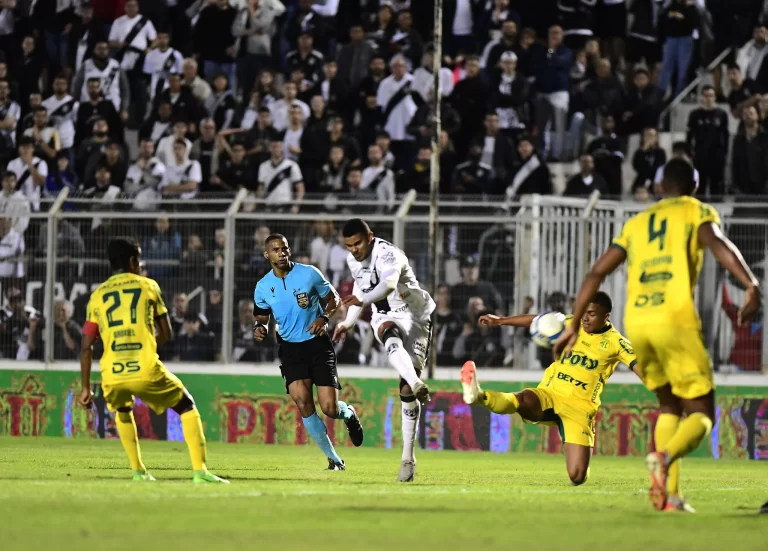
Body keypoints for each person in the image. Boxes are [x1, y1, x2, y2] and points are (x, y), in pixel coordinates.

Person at [555, 159, 761, 512]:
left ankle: (671, 498)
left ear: (659, 187)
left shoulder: (635, 224)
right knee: (702, 412)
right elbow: (717, 243)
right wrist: (750, 284)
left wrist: (573, 324)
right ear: (694, 187)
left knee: (669, 405)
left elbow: (595, 273)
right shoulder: (696, 211)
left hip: (638, 324)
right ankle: (663, 459)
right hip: (674, 320)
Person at [78, 237, 228, 484]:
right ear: (133, 261)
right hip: (145, 367)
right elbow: (166, 333)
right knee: (186, 406)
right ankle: (200, 472)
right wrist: (144, 343)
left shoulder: (98, 295)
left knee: (123, 411)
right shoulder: (148, 287)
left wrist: (85, 387)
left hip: (112, 372)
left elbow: (86, 346)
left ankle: (138, 471)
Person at [461, 291, 637, 485]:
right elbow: (538, 320)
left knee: (577, 476)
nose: (585, 318)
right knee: (524, 399)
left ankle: (572, 445)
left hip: (580, 409)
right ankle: (479, 395)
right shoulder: (571, 323)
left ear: (606, 317)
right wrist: (501, 321)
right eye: (583, 311)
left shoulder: (617, 343)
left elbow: (639, 365)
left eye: (592, 314)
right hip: (551, 394)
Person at [333, 219, 435, 483]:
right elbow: (360, 288)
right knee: (387, 333)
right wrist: (347, 322)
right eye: (348, 245)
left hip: (415, 317)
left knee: (404, 391)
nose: (353, 250)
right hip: (385, 314)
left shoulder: (390, 254)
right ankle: (416, 382)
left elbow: (388, 284)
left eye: (357, 243)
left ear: (370, 237)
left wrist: (363, 300)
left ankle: (407, 457)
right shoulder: (352, 260)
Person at [253, 233, 364, 470]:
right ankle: (334, 460)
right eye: (275, 249)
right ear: (267, 255)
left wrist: (324, 318)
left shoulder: (309, 274)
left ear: (289, 250)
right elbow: (261, 317)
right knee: (303, 402)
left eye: (284, 248)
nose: (281, 253)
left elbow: (333, 299)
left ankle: (349, 414)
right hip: (290, 349)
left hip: (317, 345)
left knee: (329, 408)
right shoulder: (263, 287)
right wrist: (259, 328)